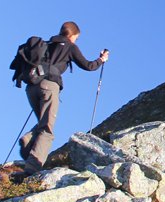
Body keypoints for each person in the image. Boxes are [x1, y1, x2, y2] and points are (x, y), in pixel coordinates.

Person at [18, 21, 109, 175]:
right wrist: (101, 60)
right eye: (76, 38)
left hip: (31, 87)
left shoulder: (46, 44)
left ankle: (28, 139)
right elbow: (88, 66)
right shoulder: (70, 46)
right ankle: (32, 167)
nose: (75, 41)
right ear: (72, 36)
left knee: (44, 121)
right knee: (47, 129)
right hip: (49, 86)